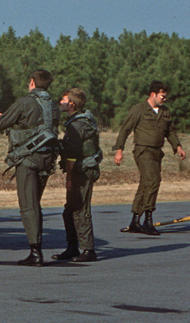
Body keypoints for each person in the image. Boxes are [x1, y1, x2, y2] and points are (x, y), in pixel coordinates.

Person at [0, 69, 59, 266]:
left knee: (29, 207)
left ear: (32, 83)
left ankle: (36, 253)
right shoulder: (53, 106)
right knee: (35, 204)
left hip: (28, 160)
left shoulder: (24, 102)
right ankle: (36, 249)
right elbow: (39, 126)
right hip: (47, 159)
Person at [113, 81, 184, 236]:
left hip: (157, 153)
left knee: (146, 184)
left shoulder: (165, 112)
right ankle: (148, 221)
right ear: (153, 94)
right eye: (162, 96)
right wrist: (119, 150)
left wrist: (177, 146)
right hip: (143, 151)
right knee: (153, 181)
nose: (164, 99)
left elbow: (170, 131)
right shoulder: (139, 109)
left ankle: (135, 221)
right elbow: (125, 129)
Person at [55, 87, 101, 262]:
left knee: (80, 210)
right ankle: (73, 247)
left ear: (72, 104)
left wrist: (69, 178)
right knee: (69, 211)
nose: (61, 102)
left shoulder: (77, 125)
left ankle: (88, 250)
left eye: (64, 99)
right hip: (81, 170)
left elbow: (73, 156)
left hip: (81, 172)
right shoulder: (79, 121)